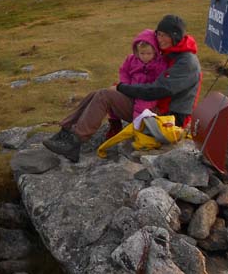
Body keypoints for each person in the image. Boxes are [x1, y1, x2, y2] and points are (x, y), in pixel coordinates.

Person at [43, 14, 200, 163]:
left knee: (105, 95)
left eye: (164, 35)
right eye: (158, 34)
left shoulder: (186, 62)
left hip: (168, 119)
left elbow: (155, 91)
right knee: (97, 94)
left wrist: (122, 88)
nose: (160, 39)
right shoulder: (172, 54)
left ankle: (75, 142)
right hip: (153, 109)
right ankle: (65, 132)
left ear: (176, 35)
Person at [105, 29, 169, 140]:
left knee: (141, 106)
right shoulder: (131, 59)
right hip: (131, 89)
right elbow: (124, 71)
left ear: (155, 51)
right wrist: (125, 85)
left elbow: (160, 81)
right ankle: (115, 123)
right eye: (142, 53)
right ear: (136, 51)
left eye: (148, 53)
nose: (145, 56)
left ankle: (137, 128)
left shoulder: (160, 63)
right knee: (111, 92)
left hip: (148, 94)